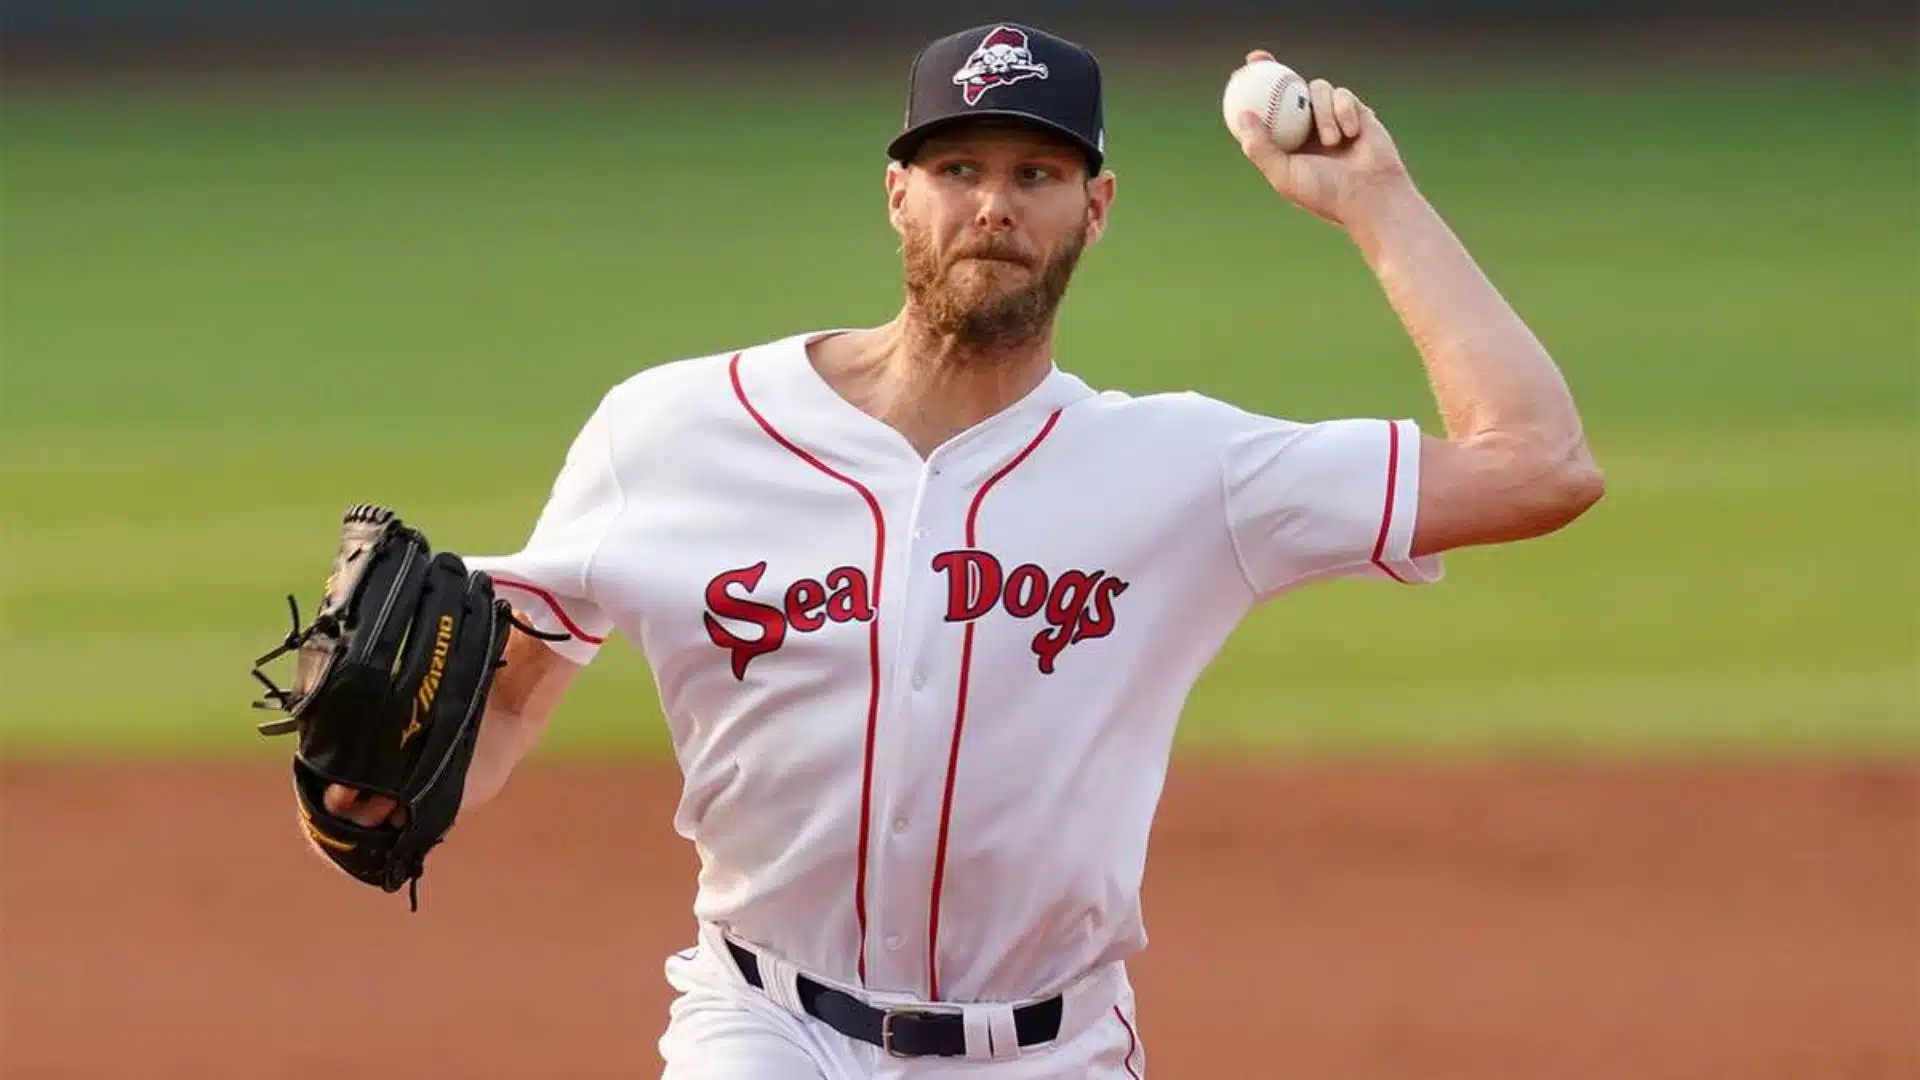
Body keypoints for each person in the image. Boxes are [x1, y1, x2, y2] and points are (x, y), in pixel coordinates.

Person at [321, 22, 1603, 1078]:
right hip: (760, 1032)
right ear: (899, 193)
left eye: (1037, 175)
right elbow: (511, 691)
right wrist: (382, 794)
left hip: (1055, 1051)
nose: (993, 205)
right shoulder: (672, 429)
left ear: (1096, 208)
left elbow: (1539, 464)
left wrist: (1372, 197)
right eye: (958, 169)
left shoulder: (1185, 473)